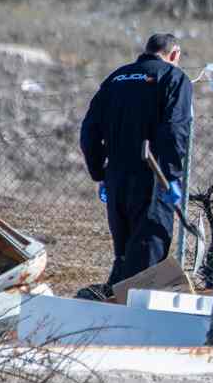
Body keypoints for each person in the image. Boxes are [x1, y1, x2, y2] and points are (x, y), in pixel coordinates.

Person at [80, 33, 193, 292]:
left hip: (117, 180)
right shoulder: (174, 78)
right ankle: (130, 321)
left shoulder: (115, 79)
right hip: (153, 179)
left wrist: (101, 172)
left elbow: (89, 131)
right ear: (174, 54)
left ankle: (110, 306)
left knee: (124, 253)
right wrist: (170, 176)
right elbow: (176, 130)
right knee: (146, 264)